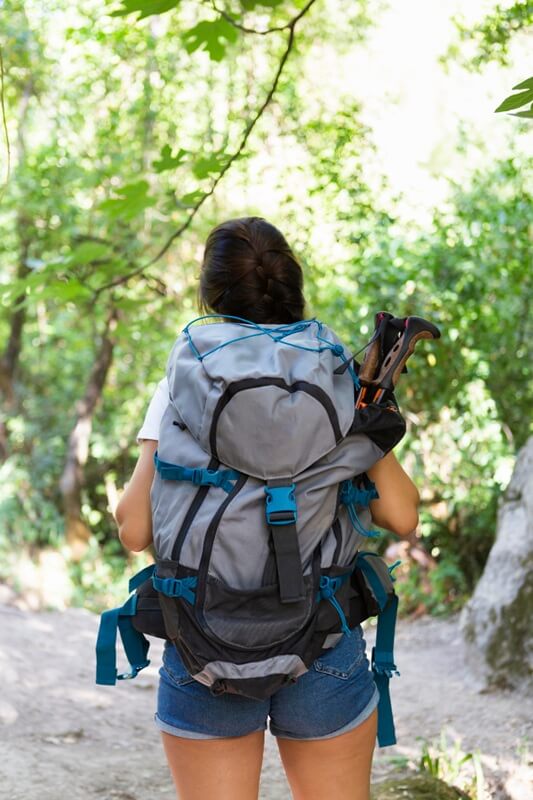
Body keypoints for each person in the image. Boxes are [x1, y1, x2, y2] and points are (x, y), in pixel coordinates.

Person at [114, 217, 420, 800]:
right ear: (292, 289)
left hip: (204, 640)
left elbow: (135, 529)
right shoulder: (337, 380)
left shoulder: (184, 384)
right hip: (322, 633)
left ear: (211, 294)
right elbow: (402, 516)